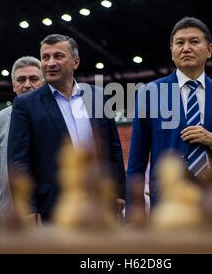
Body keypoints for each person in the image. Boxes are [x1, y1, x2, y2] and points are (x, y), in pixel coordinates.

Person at [126, 17, 212, 222]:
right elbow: (137, 160)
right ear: (171, 51)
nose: (186, 48)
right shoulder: (149, 93)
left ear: (209, 50)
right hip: (167, 206)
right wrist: (134, 211)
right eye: (179, 43)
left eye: (194, 42)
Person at [7, 34, 126, 224]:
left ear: (75, 61)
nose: (50, 63)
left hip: (100, 200)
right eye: (45, 57)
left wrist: (119, 192)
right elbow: (18, 161)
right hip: (52, 205)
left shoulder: (98, 96)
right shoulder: (25, 104)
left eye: (58, 56)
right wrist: (28, 206)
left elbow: (113, 149)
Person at [0, 56, 45, 224]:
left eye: (33, 79)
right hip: (11, 204)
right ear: (13, 85)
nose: (27, 84)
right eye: (21, 79)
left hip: (48, 205)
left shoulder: (56, 114)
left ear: (43, 83)